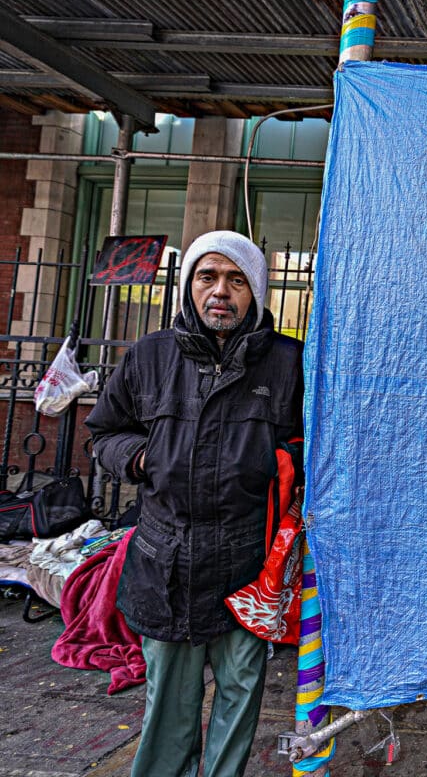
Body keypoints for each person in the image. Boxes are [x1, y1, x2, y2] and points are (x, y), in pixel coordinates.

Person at [86, 230, 303, 777]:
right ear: (189, 286)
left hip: (250, 563)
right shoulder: (150, 355)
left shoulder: (288, 363)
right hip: (166, 561)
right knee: (170, 704)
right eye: (208, 277)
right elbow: (105, 434)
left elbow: (320, 449)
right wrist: (140, 458)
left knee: (240, 691)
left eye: (236, 280)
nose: (221, 292)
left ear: (255, 290)